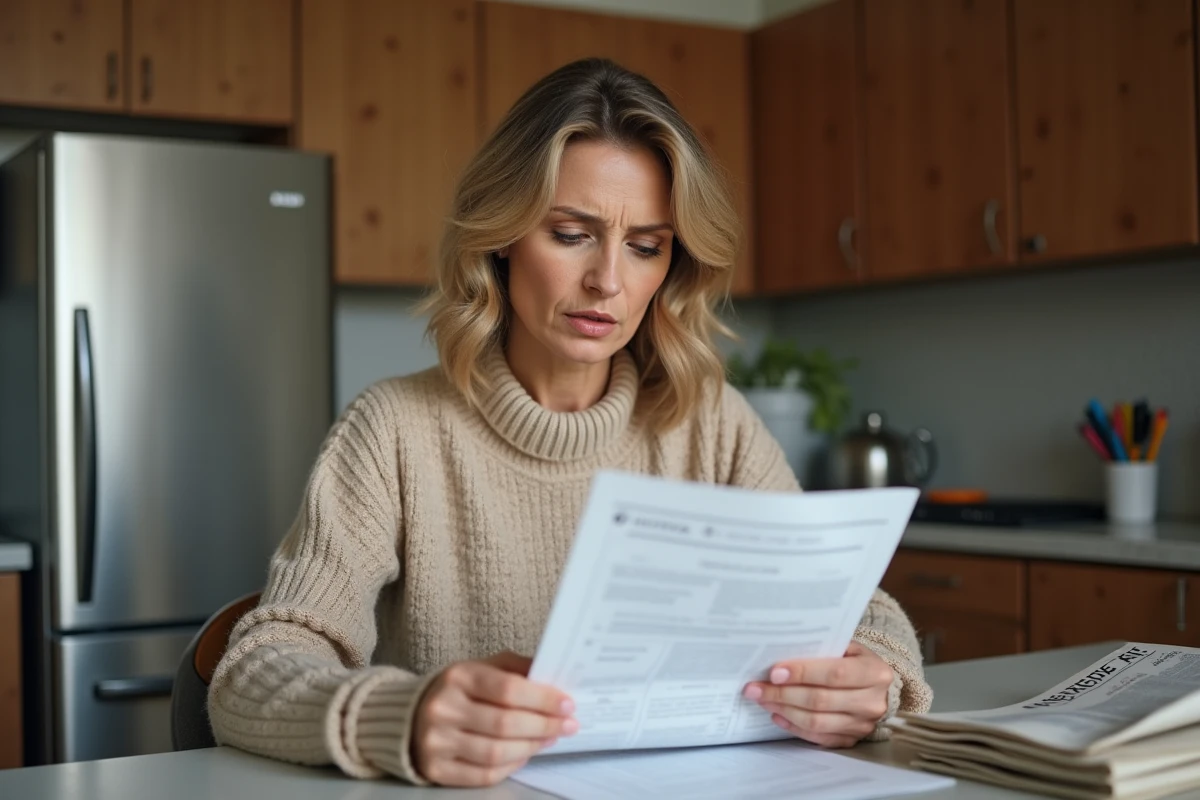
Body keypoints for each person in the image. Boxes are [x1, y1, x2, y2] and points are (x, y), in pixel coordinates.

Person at [208, 58, 932, 788]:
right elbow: (255, 667)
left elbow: (862, 610)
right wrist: (400, 714)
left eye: (645, 247)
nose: (608, 281)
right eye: (569, 233)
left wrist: (876, 675)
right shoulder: (394, 431)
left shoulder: (711, 424)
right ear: (502, 235)